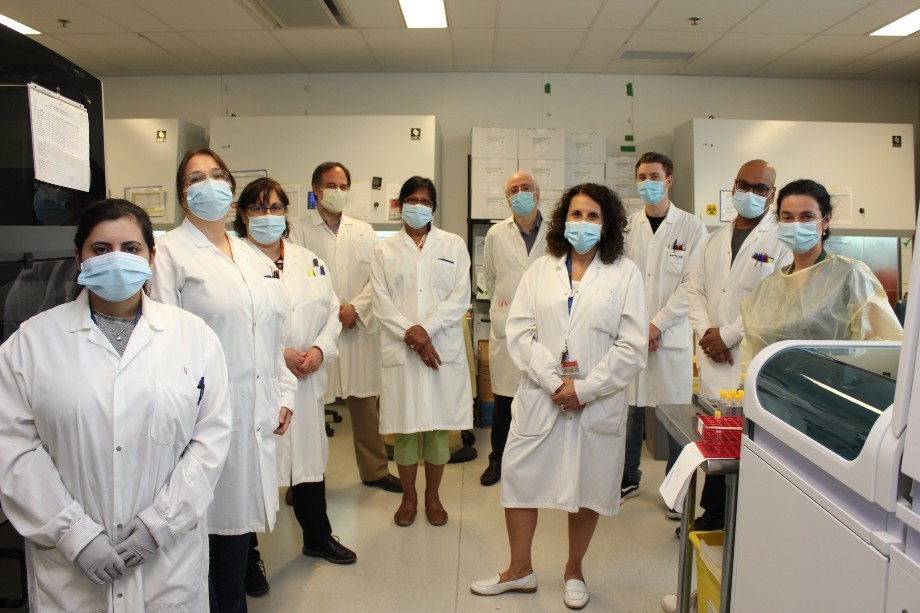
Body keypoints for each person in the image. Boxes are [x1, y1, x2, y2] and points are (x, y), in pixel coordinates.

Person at [0, 200, 231, 611]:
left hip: (167, 559)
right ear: (78, 258)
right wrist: (75, 535)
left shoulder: (194, 337)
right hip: (71, 567)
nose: (117, 259)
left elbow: (209, 441)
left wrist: (158, 526)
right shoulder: (31, 342)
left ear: (152, 256)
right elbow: (12, 449)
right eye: (100, 250)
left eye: (131, 248)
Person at [471, 183, 648, 610]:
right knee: (519, 478)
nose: (582, 223)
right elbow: (520, 331)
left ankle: (573, 569)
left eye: (592, 216)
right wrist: (555, 383)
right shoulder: (541, 270)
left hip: (596, 399)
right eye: (575, 214)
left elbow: (632, 345)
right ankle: (519, 571)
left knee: (586, 485)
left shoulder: (625, 273)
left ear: (606, 225)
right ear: (562, 220)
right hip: (542, 394)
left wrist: (585, 389)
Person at [150, 149, 296, 613]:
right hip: (201, 422)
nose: (208, 183)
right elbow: (160, 347)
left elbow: (272, 336)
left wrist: (284, 393)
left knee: (235, 539)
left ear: (231, 188)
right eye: (196, 178)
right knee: (204, 544)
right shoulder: (169, 253)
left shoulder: (252, 256)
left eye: (217, 175)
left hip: (255, 415)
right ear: (182, 195)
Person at [236, 177, 357, 565]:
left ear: (286, 213)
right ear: (242, 215)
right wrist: (278, 354)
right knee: (250, 471)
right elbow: (232, 326)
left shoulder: (309, 260)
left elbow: (331, 310)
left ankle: (317, 537)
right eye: (257, 208)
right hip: (257, 382)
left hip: (306, 382)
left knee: (308, 462)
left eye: (275, 208)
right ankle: (247, 556)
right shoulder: (232, 262)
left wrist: (320, 349)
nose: (268, 216)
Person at [685, 159, 792, 534]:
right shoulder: (713, 240)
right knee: (718, 440)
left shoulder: (781, 242)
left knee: (748, 444)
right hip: (714, 357)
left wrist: (727, 335)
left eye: (760, 188)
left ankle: (743, 523)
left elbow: (776, 300)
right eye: (744, 185)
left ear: (772, 194)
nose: (750, 194)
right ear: (733, 186)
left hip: (747, 357)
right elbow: (694, 289)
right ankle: (713, 516)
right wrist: (706, 332)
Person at [288, 162, 401, 493]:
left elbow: (377, 279)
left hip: (357, 328)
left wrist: (356, 308)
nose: (337, 191)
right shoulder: (297, 230)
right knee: (310, 410)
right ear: (316, 189)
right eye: (330, 185)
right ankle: (304, 481)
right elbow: (297, 277)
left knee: (365, 405)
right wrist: (335, 311)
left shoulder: (364, 231)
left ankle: (375, 471)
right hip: (317, 330)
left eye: (342, 185)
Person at [370, 176, 473, 527]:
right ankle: (409, 497)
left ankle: (433, 496)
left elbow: (460, 297)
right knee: (405, 430)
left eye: (425, 200)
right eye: (411, 199)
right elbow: (380, 302)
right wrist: (412, 335)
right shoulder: (384, 250)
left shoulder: (454, 245)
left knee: (438, 430)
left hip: (439, 348)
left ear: (434, 206)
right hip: (403, 351)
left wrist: (426, 331)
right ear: (400, 205)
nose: (418, 205)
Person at [622, 152, 707, 507]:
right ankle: (628, 478)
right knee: (629, 409)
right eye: (642, 177)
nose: (648, 183)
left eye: (654, 176)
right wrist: (639, 328)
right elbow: (621, 279)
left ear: (669, 180)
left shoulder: (691, 227)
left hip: (669, 337)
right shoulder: (629, 226)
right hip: (632, 333)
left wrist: (657, 325)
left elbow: (692, 285)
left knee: (674, 415)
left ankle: (676, 490)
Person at [740, 178, 902, 360]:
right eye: (788, 217)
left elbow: (885, 347)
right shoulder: (768, 287)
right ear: (779, 221)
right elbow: (751, 351)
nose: (796, 224)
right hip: (770, 387)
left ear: (826, 220)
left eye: (807, 216)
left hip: (832, 386)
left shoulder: (851, 275)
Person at [479, 171, 549, 487]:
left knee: (543, 397)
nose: (520, 193)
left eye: (525, 188)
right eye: (513, 190)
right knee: (505, 400)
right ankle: (498, 460)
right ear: (507, 199)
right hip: (508, 326)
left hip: (546, 327)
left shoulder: (555, 232)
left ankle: (540, 463)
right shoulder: (496, 234)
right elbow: (492, 280)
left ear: (537, 193)